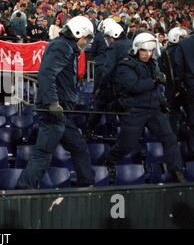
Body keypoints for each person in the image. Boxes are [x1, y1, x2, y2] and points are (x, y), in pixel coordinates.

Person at [16, 16, 96, 189]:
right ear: (77, 33)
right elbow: (47, 74)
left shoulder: (67, 47)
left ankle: (87, 186)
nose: (87, 42)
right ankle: (22, 191)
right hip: (54, 109)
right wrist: (52, 102)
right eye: (86, 37)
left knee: (79, 147)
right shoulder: (61, 46)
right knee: (43, 154)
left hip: (62, 111)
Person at [102, 33, 186, 182]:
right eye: (144, 50)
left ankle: (176, 171)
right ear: (136, 49)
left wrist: (161, 101)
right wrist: (154, 80)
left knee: (170, 138)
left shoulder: (152, 64)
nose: (148, 54)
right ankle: (109, 160)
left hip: (153, 109)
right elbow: (134, 86)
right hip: (135, 110)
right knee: (127, 144)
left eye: (151, 50)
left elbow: (154, 88)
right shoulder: (125, 65)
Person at [86, 22, 132, 138]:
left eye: (108, 37)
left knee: (99, 106)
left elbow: (109, 68)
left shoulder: (114, 46)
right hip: (128, 86)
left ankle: (89, 132)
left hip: (112, 85)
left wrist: (101, 86)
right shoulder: (131, 43)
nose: (108, 40)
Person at [160, 27, 188, 137]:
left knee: (173, 114)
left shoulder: (166, 51)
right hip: (179, 87)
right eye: (181, 37)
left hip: (172, 88)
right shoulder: (179, 50)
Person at [174, 29, 194, 156]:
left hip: (191, 88)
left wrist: (178, 88)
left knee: (193, 121)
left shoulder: (183, 44)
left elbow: (178, 69)